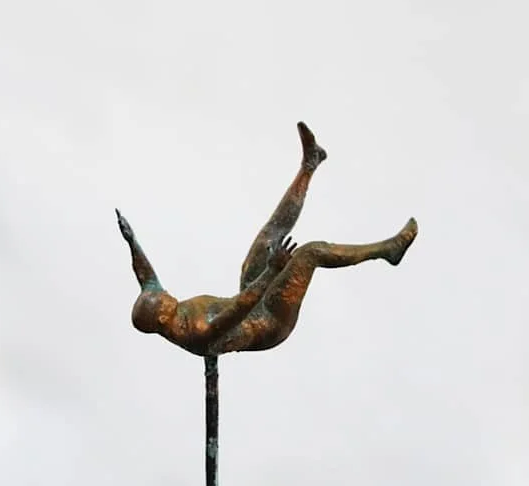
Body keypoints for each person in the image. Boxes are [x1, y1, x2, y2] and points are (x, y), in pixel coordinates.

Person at [116, 121, 417, 355]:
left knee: (267, 239)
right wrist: (274, 270)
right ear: (161, 320)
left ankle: (310, 164)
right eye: (165, 302)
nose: (167, 294)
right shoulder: (199, 331)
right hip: (268, 320)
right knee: (310, 253)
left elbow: (147, 278)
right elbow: (240, 308)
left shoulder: (159, 305)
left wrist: (131, 242)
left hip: (253, 298)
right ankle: (388, 250)